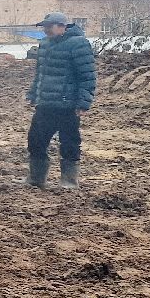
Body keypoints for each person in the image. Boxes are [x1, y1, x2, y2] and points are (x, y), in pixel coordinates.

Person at [25, 12, 96, 189]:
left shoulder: (78, 44)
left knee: (70, 142)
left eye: (49, 26)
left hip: (68, 105)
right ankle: (36, 179)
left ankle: (69, 181)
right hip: (45, 104)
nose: (46, 30)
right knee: (35, 140)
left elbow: (87, 76)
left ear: (62, 26)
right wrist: (34, 94)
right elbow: (40, 74)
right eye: (45, 27)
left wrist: (83, 103)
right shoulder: (45, 44)